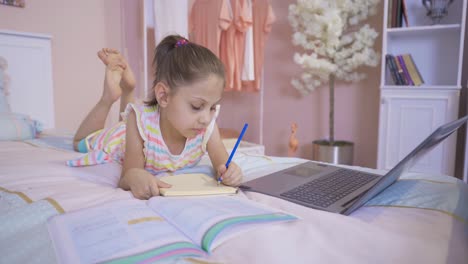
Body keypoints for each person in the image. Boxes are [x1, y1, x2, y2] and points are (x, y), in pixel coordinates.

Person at [69, 35, 243, 199]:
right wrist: (134, 176)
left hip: (139, 132)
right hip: (126, 136)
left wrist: (229, 171)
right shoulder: (139, 123)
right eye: (196, 107)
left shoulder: (207, 126)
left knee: (127, 122)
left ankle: (128, 90)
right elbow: (128, 176)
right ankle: (110, 97)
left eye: (212, 107)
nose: (206, 118)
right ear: (164, 96)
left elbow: (222, 163)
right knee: (81, 142)